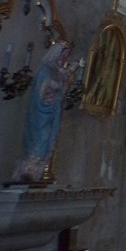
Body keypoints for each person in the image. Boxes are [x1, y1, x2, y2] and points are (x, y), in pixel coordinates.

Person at [12, 41, 73, 183]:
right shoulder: (45, 69)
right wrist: (61, 81)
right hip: (41, 111)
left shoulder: (58, 71)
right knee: (39, 139)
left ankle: (37, 172)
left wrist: (66, 77)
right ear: (57, 53)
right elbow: (42, 89)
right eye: (64, 53)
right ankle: (27, 170)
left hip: (52, 112)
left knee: (48, 140)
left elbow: (62, 91)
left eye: (67, 54)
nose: (64, 57)